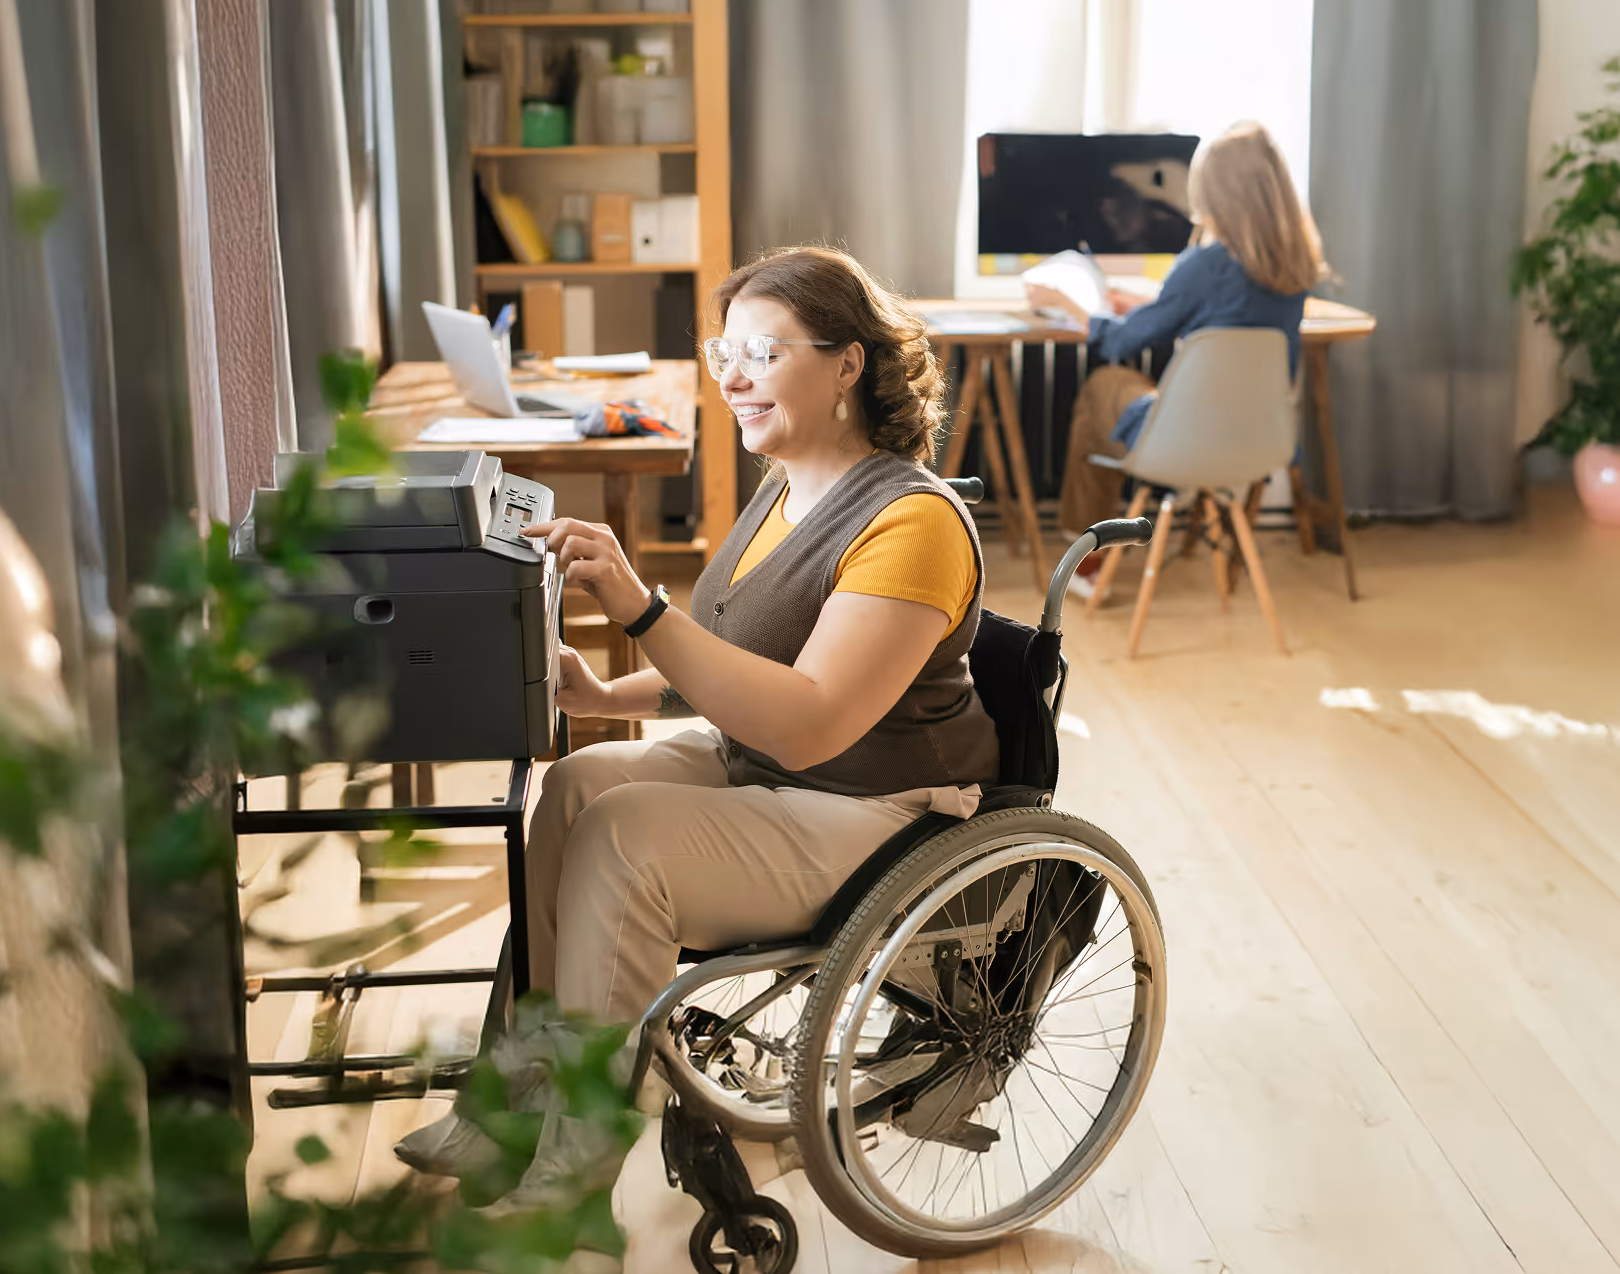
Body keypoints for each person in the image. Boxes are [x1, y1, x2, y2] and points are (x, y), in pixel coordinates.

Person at [396, 246, 999, 1197]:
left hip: (882, 808)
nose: (731, 374)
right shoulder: (787, 486)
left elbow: (809, 722)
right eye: (727, 349)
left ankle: (575, 1154)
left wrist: (639, 610)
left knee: (625, 833)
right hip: (773, 772)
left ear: (848, 363)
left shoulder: (910, 523)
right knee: (576, 784)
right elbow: (739, 665)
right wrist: (605, 698)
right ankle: (513, 1093)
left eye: (763, 350)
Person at [1028, 121, 1326, 577]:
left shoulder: (1205, 266)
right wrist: (1155, 303)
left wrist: (1065, 302)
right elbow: (1230, 311)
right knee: (1138, 388)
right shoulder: (1296, 266)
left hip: (1190, 437)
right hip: (1260, 437)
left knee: (1104, 384)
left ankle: (1085, 557)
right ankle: (1096, 552)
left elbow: (1123, 341)